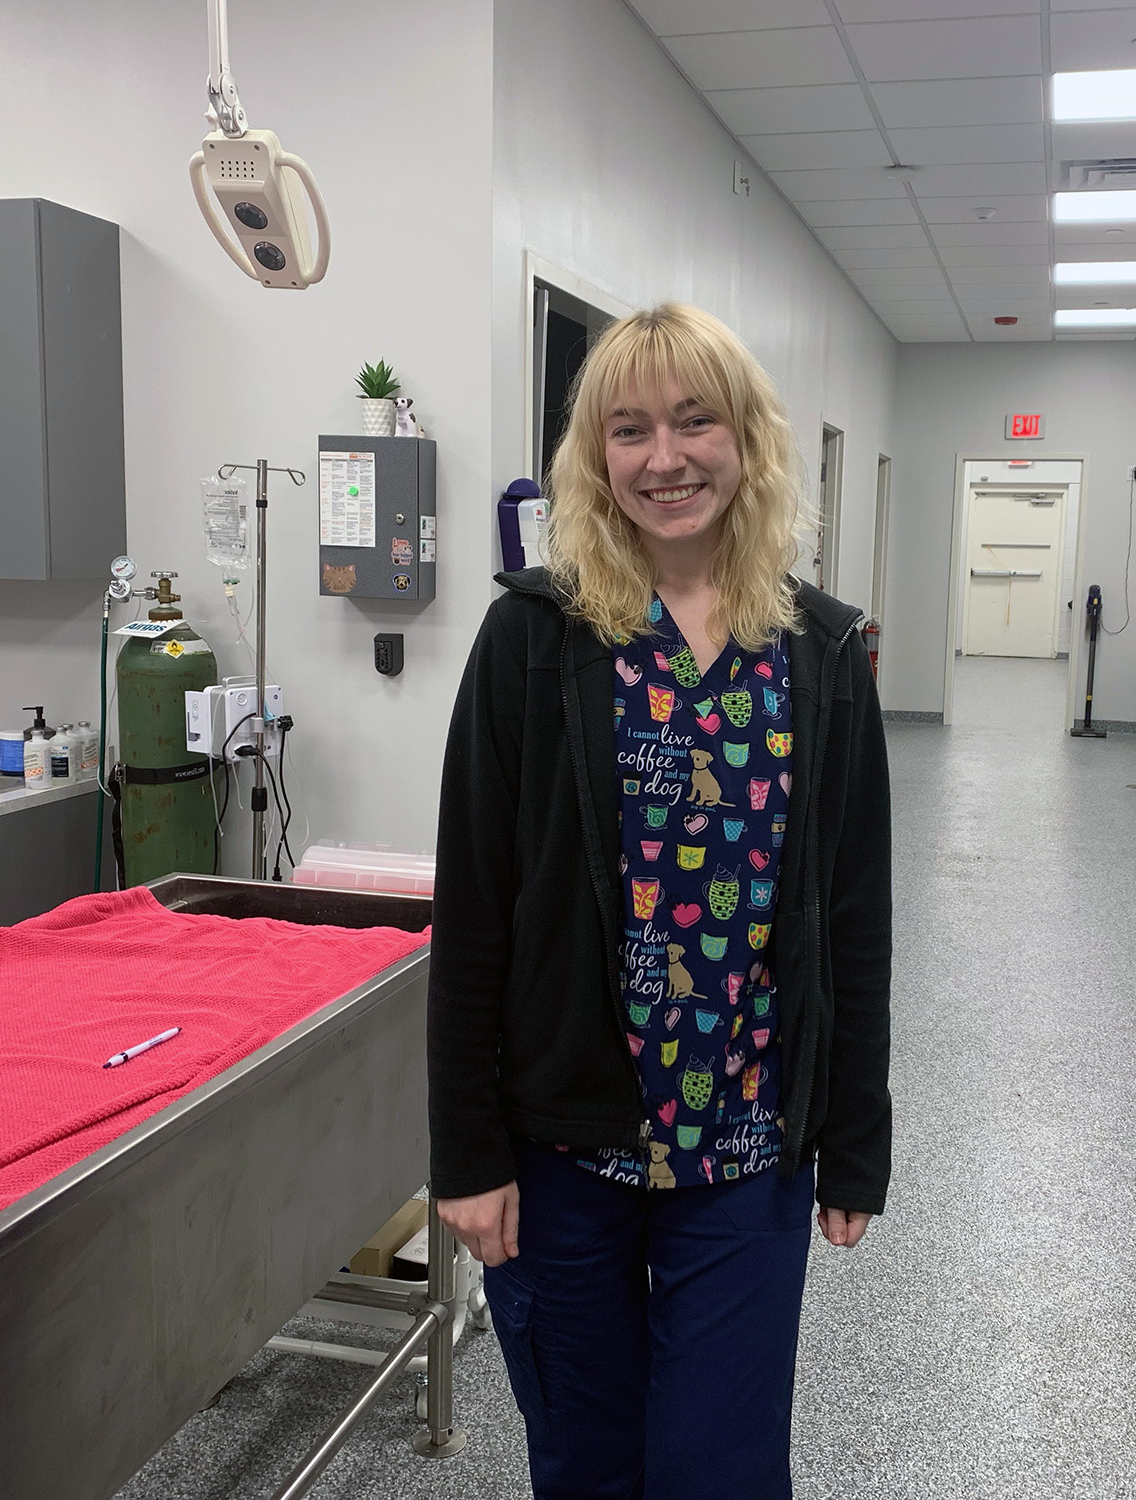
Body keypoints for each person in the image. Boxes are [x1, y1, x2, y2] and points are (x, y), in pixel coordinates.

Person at [429, 302, 892, 1500]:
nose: (664, 457)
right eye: (627, 430)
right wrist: (465, 1154)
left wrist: (855, 1143)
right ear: (593, 459)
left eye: (695, 422)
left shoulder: (821, 656)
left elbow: (852, 920)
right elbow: (473, 916)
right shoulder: (533, 643)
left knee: (718, 1471)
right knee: (586, 1461)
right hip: (564, 1142)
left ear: (747, 442)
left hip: (743, 1143)